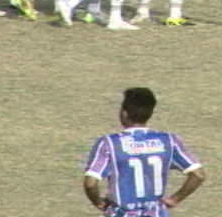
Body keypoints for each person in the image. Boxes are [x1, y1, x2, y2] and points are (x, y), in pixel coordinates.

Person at [83, 88, 206, 217]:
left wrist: (98, 203)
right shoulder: (168, 141)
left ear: (124, 113)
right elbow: (198, 175)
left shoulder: (109, 143)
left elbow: (90, 183)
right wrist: (174, 199)